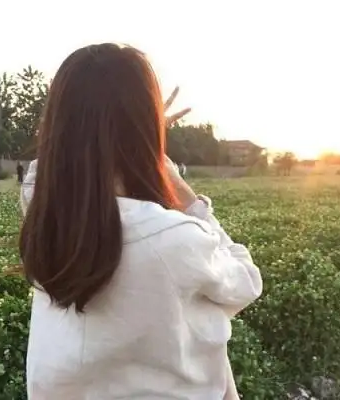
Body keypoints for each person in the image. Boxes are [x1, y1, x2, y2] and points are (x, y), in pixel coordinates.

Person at [19, 44, 262, 400]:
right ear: (145, 129)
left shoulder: (45, 215)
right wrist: (185, 194)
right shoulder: (174, 239)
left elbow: (44, 170)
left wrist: (113, 130)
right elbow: (245, 282)